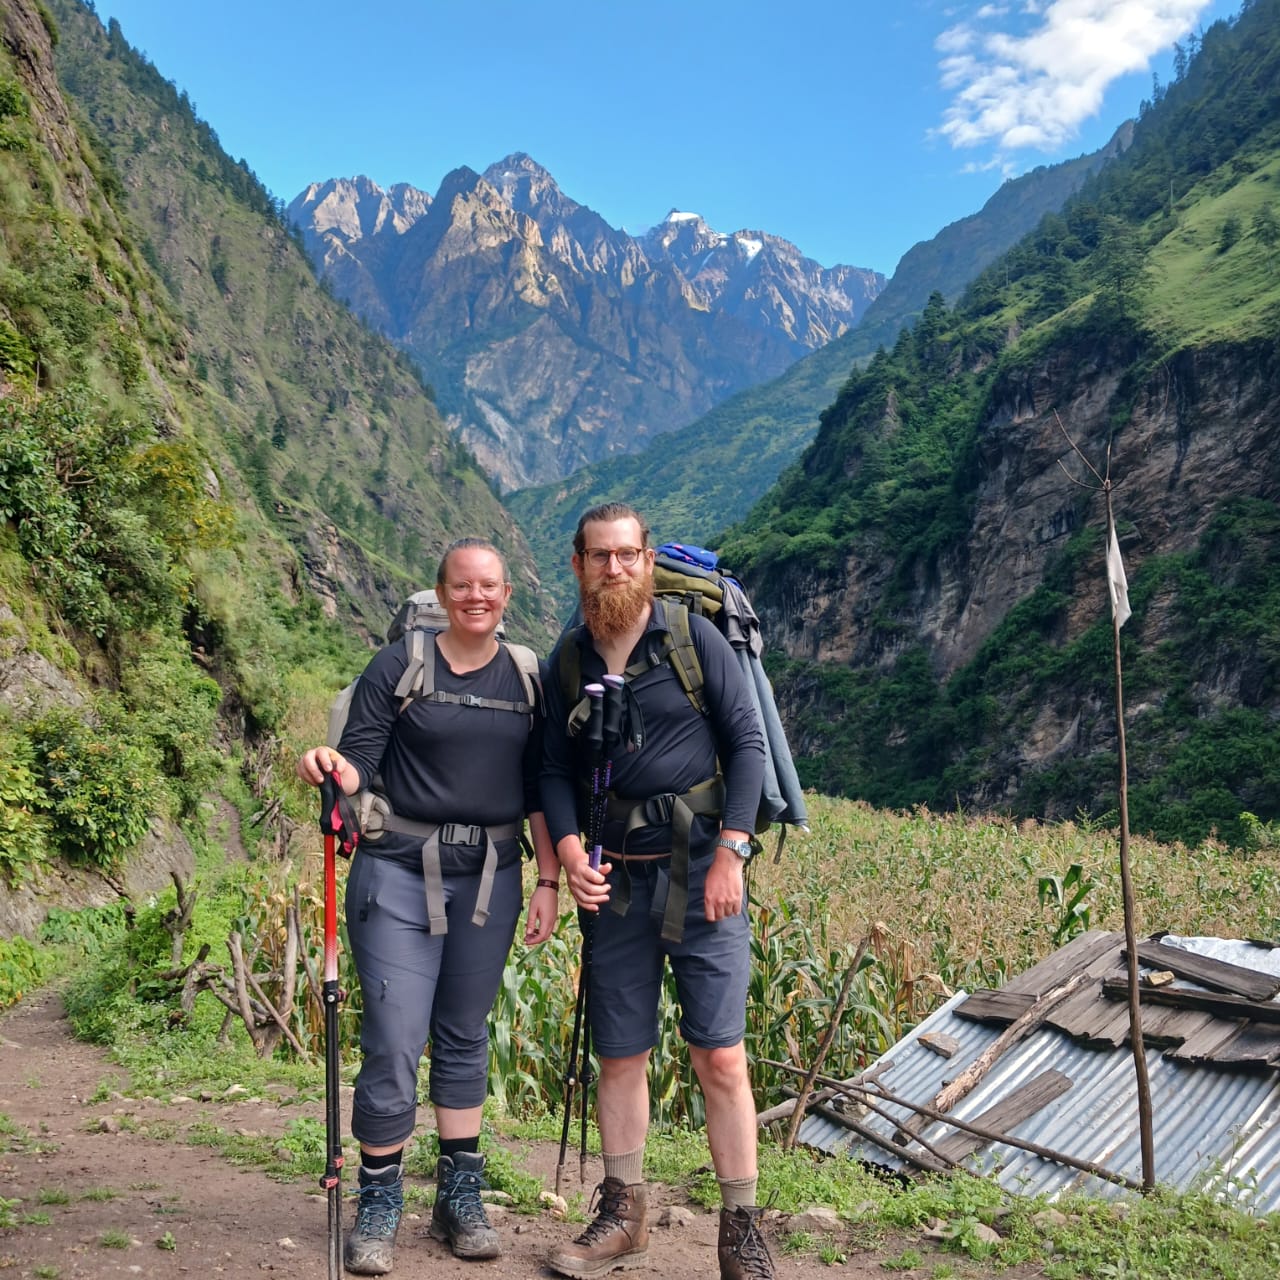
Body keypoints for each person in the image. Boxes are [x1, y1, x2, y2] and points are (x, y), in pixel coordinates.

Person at [297, 537, 560, 1275]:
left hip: (492, 879)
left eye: (490, 586)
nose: (477, 597)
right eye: (463, 586)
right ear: (442, 595)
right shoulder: (400, 667)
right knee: (393, 1037)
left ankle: (458, 1196)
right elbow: (360, 760)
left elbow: (540, 785)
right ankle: (380, 1198)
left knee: (464, 1034)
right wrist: (328, 767)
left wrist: (547, 880)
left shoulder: (528, 679)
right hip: (398, 874)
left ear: (507, 595)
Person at [540, 502, 778, 1280]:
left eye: (627, 555)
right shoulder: (569, 659)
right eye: (599, 556)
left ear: (647, 560)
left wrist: (733, 853)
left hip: (701, 869)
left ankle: (740, 1228)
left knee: (721, 1056)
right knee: (621, 1055)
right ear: (577, 564)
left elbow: (746, 743)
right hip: (614, 886)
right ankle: (625, 1215)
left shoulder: (690, 637)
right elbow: (549, 770)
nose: (614, 569)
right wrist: (570, 850)